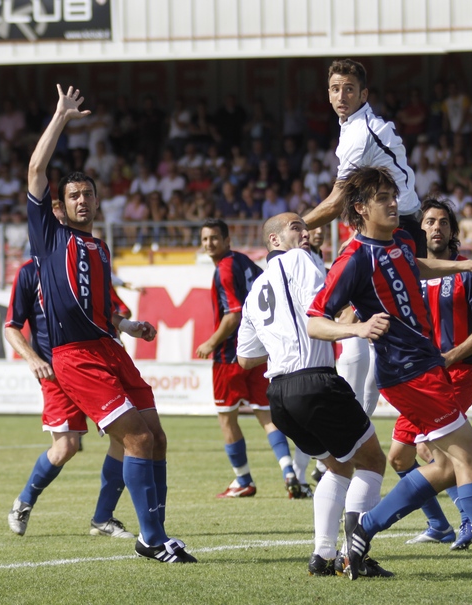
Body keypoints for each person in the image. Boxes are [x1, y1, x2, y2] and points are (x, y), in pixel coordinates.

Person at [306, 165, 472, 587]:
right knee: (469, 456)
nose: (393, 202)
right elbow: (315, 319)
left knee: (445, 466)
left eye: (392, 194)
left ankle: (365, 526)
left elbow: (414, 267)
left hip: (425, 367)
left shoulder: (399, 241)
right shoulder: (352, 258)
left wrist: (469, 264)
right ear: (361, 209)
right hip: (407, 372)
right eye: (383, 197)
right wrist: (357, 329)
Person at [26, 84, 195, 563]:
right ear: (61, 204)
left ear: (98, 202)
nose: (81, 200)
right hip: (75, 356)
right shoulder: (50, 236)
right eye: (73, 195)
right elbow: (37, 169)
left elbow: (105, 310)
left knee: (156, 436)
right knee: (137, 437)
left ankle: (157, 533)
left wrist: (129, 325)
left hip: (109, 348)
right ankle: (151, 539)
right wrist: (60, 116)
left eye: (88, 195)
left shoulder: (99, 249)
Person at [236, 212, 391, 578]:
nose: (306, 234)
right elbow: (318, 316)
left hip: (280, 396)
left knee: (335, 465)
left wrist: (281, 346)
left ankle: (322, 555)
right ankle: (354, 555)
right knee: (371, 461)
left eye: (307, 228)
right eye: (296, 228)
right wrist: (357, 326)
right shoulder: (303, 260)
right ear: (275, 240)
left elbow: (245, 357)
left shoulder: (256, 288)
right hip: (315, 382)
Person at [388, 198, 472, 551]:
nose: (436, 227)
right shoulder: (408, 275)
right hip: (421, 380)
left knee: (442, 451)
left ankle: (470, 523)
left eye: (442, 222)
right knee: (400, 457)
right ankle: (439, 524)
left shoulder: (469, 273)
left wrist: (450, 356)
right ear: (419, 229)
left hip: (458, 376)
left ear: (452, 230)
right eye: (429, 222)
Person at [5, 252, 133, 540]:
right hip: (56, 371)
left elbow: (112, 312)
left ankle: (103, 518)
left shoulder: (86, 264)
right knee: (65, 448)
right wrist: (32, 359)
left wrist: (125, 325)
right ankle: (23, 503)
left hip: (96, 367)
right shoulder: (29, 272)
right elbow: (11, 326)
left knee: (126, 437)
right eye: (53, 207)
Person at [195, 217, 306, 499]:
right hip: (257, 353)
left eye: (214, 238)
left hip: (229, 356)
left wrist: (210, 342)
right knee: (266, 416)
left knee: (227, 419)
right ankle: (288, 471)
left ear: (226, 240)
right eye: (205, 239)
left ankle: (243, 480)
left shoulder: (224, 269)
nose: (209, 244)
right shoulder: (244, 262)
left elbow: (233, 314)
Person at [302, 59, 425, 257]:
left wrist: (295, 226)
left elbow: (336, 203)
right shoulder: (353, 124)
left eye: (349, 89)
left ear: (363, 95)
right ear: (329, 95)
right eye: (335, 89)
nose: (341, 96)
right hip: (389, 224)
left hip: (399, 227)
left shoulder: (360, 132)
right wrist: (360, 233)